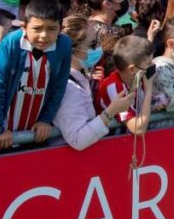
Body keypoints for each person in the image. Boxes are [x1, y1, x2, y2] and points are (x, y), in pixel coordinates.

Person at [0, 0, 71, 150]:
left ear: (61, 28)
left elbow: (59, 86)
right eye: (37, 28)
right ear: (24, 26)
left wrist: (45, 120)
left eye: (52, 28)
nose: (44, 35)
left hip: (34, 134)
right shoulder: (11, 44)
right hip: (2, 134)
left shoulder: (64, 46)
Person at [53, 14, 133, 150]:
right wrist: (111, 111)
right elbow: (78, 139)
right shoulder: (69, 88)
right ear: (72, 50)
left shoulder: (76, 77)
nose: (98, 48)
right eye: (92, 44)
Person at [94, 34, 156, 136]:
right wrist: (149, 89)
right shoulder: (113, 87)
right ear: (132, 69)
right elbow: (138, 129)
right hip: (112, 145)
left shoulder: (139, 78)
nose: (153, 66)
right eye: (149, 63)